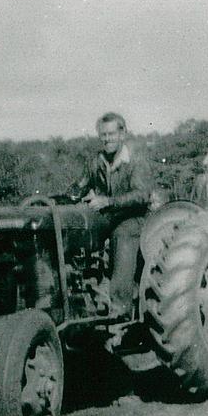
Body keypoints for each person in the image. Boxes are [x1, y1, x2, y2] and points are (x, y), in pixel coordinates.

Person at [69, 112, 153, 318]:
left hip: (133, 218)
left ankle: (120, 311)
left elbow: (142, 195)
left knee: (122, 235)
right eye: (103, 135)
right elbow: (79, 185)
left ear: (122, 133)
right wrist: (72, 195)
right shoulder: (96, 161)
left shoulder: (135, 161)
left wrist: (108, 201)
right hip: (106, 217)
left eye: (111, 134)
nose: (107, 139)